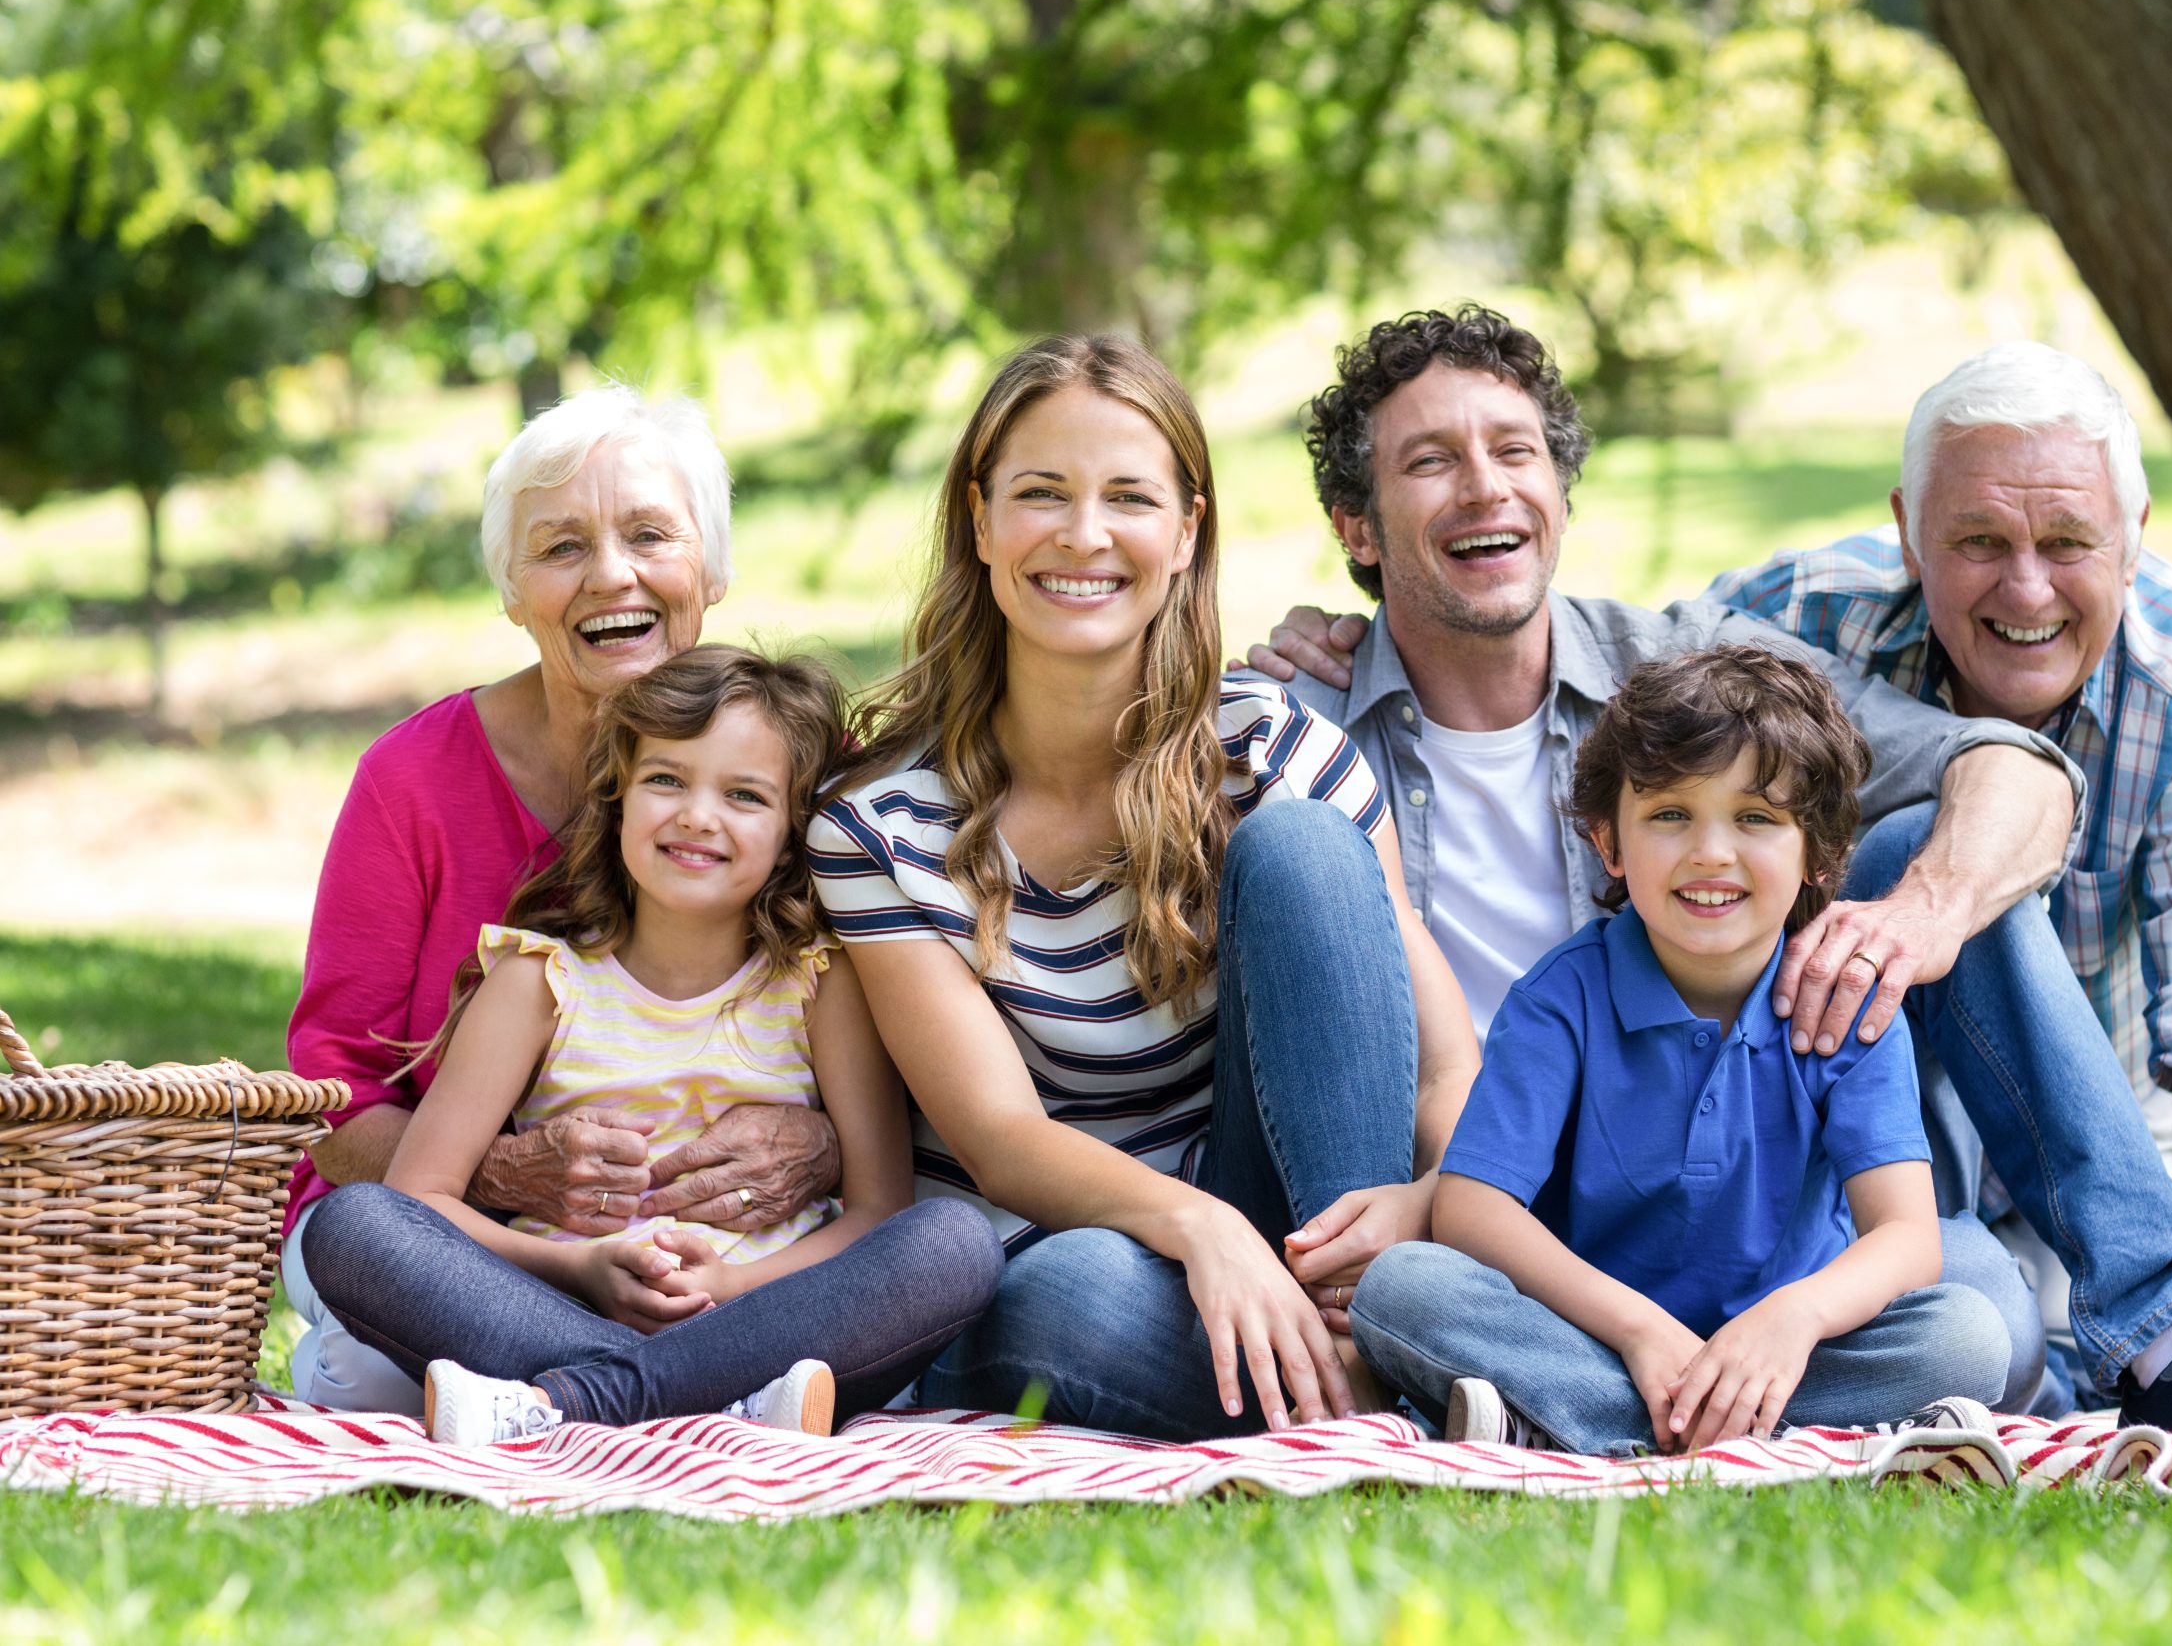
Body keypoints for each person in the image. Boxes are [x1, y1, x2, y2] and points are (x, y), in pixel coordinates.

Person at [1247, 306, 2172, 1449]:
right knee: (1409, 1290)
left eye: (1514, 451)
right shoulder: (1298, 726)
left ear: (1562, 492)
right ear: (1359, 524)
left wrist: (1919, 918)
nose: (1485, 490)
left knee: (1978, 1306)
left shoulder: (1680, 673)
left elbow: (2009, 775)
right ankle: (1628, 1403)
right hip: (1497, 1225)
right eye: (1430, 462)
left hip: (1769, 1225)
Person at [809, 335, 1481, 1442]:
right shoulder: (879, 826)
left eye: (1128, 496)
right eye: (1040, 494)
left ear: (1185, 534)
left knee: (1309, 848)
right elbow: (998, 1140)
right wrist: (1199, 1229)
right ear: (979, 523)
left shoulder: (1275, 750)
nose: (1083, 535)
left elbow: (1446, 1067)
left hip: (1283, 1229)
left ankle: (1358, 1336)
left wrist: (1419, 1204)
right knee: (1071, 1292)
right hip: (1058, 1254)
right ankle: (1381, 1394)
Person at [1707, 342, 2172, 1375]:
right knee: (1999, 1353)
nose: (2026, 590)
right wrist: (1359, 643)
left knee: (2124, 1348)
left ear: (2134, 539)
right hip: (1848, 1115)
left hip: (2085, 1126)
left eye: (2069, 540)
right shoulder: (1789, 623)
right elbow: (1585, 692)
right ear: (1906, 531)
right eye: (1977, 540)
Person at [283, 387, 843, 1412]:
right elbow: (334, 1101)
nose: (612, 576)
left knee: (942, 1248)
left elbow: (894, 1052)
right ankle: (685, 1392)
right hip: (472, 1247)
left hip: (740, 1259)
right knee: (361, 1294)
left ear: (708, 571)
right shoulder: (409, 782)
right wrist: (503, 1172)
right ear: (511, 591)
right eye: (561, 548)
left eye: (648, 535)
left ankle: (565, 1395)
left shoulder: (805, 775)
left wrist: (828, 1143)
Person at [298, 646, 1002, 1446]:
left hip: (761, 1318)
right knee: (353, 1226)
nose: (699, 815)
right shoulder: (536, 981)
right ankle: (705, 1403)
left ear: (791, 830)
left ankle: (574, 1404)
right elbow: (422, 1198)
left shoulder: (820, 985)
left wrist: (731, 1282)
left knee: (955, 1246)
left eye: (744, 795)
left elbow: (879, 1211)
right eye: (667, 779)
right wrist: (581, 1269)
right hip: (558, 1308)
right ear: (618, 797)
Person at [1354, 648, 2012, 1453]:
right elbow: (1471, 1209)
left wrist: (1792, 1318)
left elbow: (1905, 1236)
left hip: (1789, 1346)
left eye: (1756, 818)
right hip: (1601, 1336)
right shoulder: (1563, 998)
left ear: (1819, 852)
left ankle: (1578, 1421)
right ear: (1610, 841)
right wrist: (1637, 1331)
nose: (1711, 852)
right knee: (1401, 1289)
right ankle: (1702, 1422)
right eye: (1670, 814)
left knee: (1970, 1330)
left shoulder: (1844, 1000)